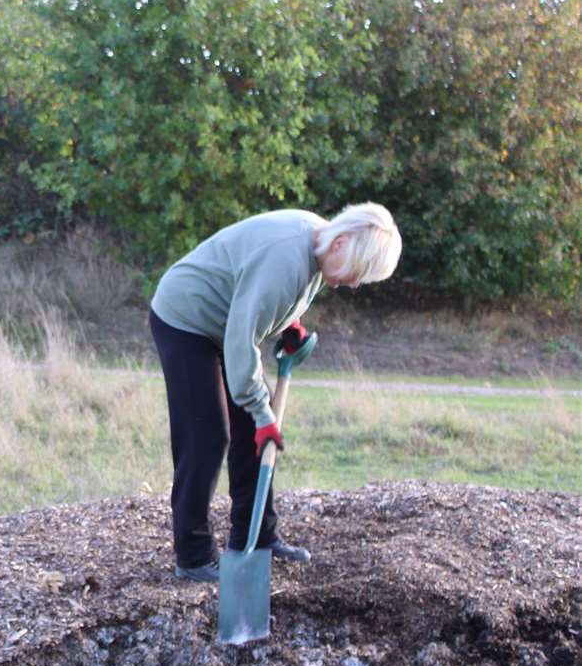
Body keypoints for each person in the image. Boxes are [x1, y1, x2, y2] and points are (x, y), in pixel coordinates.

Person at [149, 204, 401, 582]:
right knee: (206, 436)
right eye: (358, 272)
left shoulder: (320, 243)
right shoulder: (287, 258)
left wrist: (289, 323)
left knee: (251, 428)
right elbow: (242, 338)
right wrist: (262, 414)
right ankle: (193, 556)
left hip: (226, 321)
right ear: (342, 242)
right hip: (186, 318)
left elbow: (260, 294)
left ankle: (258, 538)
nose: (354, 284)